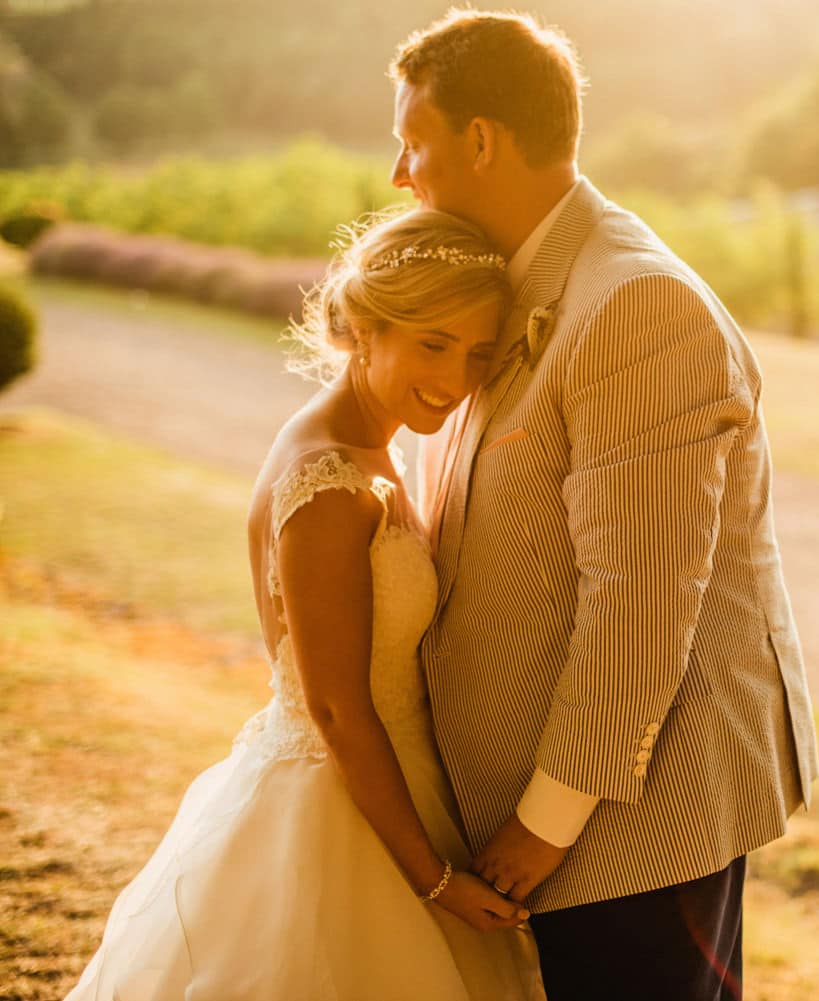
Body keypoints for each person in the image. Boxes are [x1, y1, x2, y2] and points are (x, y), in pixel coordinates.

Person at [392, 11, 819, 1000]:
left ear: (482, 141)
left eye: (412, 143)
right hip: (550, 818)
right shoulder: (512, 285)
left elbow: (638, 605)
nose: (398, 174)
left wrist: (541, 825)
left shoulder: (634, 305)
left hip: (634, 821)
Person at [63, 207, 545, 1000]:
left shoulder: (367, 444)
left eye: (479, 353)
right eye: (434, 343)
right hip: (336, 812)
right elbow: (336, 708)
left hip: (389, 782)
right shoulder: (327, 481)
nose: (458, 379)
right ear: (364, 328)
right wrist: (432, 883)